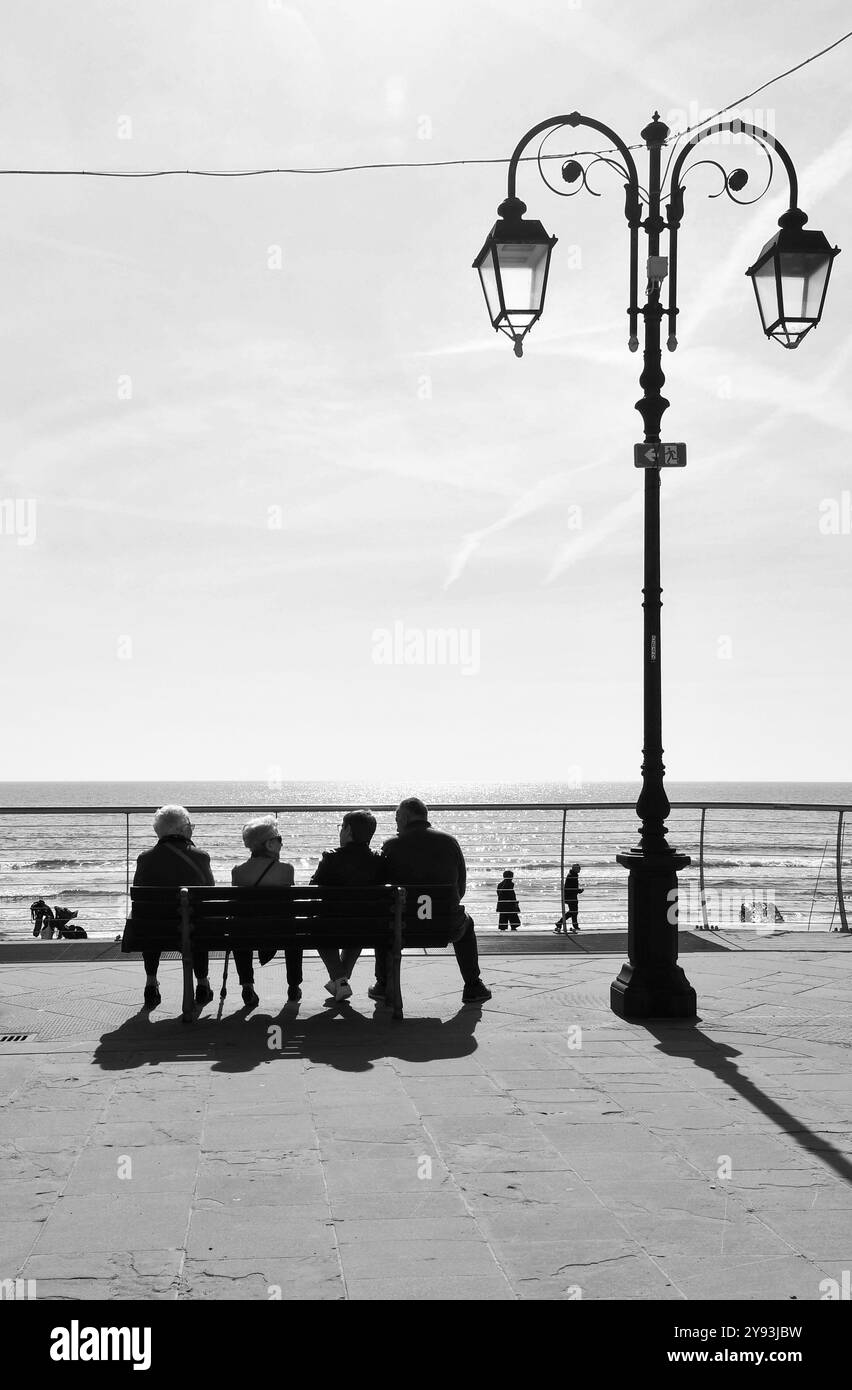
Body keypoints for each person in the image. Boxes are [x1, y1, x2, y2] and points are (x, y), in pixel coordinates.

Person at [379, 797, 491, 1004]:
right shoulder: (449, 842)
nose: (395, 822)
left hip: (401, 927)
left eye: (396, 817)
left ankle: (383, 984)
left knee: (386, 920)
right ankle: (473, 985)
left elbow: (382, 892)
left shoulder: (391, 845)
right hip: (445, 925)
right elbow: (461, 889)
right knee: (467, 924)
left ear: (405, 817)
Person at [133, 805, 214, 1010]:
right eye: (190, 826)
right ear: (183, 829)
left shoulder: (145, 858)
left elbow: (140, 901)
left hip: (154, 932)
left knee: (149, 920)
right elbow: (209, 893)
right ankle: (202, 983)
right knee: (197, 919)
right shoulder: (201, 857)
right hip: (194, 931)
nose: (192, 829)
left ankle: (151, 982)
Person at [310, 809, 386, 1002]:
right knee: (358, 923)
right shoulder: (378, 859)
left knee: (317, 927)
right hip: (367, 927)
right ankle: (341, 978)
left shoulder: (331, 857)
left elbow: (312, 890)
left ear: (348, 830)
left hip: (331, 926)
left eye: (341, 827)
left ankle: (340, 979)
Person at [232, 815, 302, 1005]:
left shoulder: (238, 871)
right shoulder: (287, 870)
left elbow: (237, 908)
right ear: (269, 845)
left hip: (247, 934)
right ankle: (294, 985)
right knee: (294, 928)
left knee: (239, 928)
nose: (282, 843)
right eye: (279, 839)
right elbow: (290, 906)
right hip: (282, 932)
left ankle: (247, 985)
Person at [555, 863, 584, 933]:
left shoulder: (573, 875)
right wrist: (579, 891)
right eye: (578, 868)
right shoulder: (572, 876)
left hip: (571, 895)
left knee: (573, 911)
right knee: (573, 911)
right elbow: (571, 888)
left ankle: (574, 925)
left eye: (579, 868)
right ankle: (560, 922)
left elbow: (572, 887)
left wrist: (577, 891)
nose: (580, 869)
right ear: (574, 869)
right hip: (570, 896)